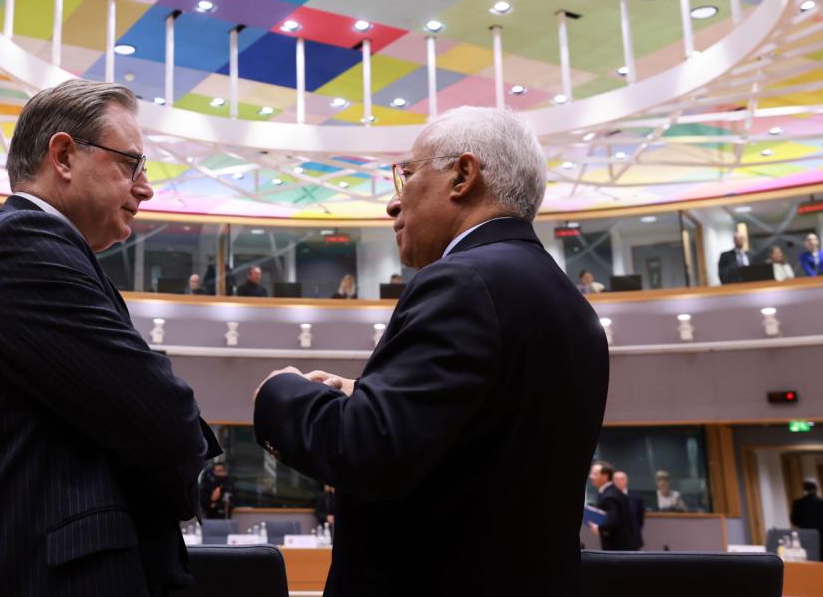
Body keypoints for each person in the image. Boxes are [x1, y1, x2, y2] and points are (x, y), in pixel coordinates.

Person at [251, 106, 609, 595]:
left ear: (463, 176)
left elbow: (370, 452)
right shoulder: (568, 301)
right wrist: (368, 395)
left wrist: (281, 394)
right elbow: (485, 439)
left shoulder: (462, 280)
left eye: (407, 175)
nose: (392, 204)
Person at [0, 79, 218, 596]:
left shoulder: (42, 249)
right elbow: (166, 418)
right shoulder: (20, 245)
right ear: (63, 155)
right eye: (131, 164)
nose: (146, 188)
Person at [588, 462, 641, 551]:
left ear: (605, 476)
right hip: (622, 545)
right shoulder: (612, 492)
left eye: (595, 474)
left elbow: (613, 520)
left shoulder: (610, 496)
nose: (591, 477)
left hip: (618, 547)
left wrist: (599, 528)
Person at [612, 470, 645, 549]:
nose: (619, 481)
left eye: (622, 479)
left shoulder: (636, 497)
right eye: (616, 479)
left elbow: (640, 518)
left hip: (633, 538)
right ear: (613, 481)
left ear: (626, 480)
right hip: (614, 540)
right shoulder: (609, 497)